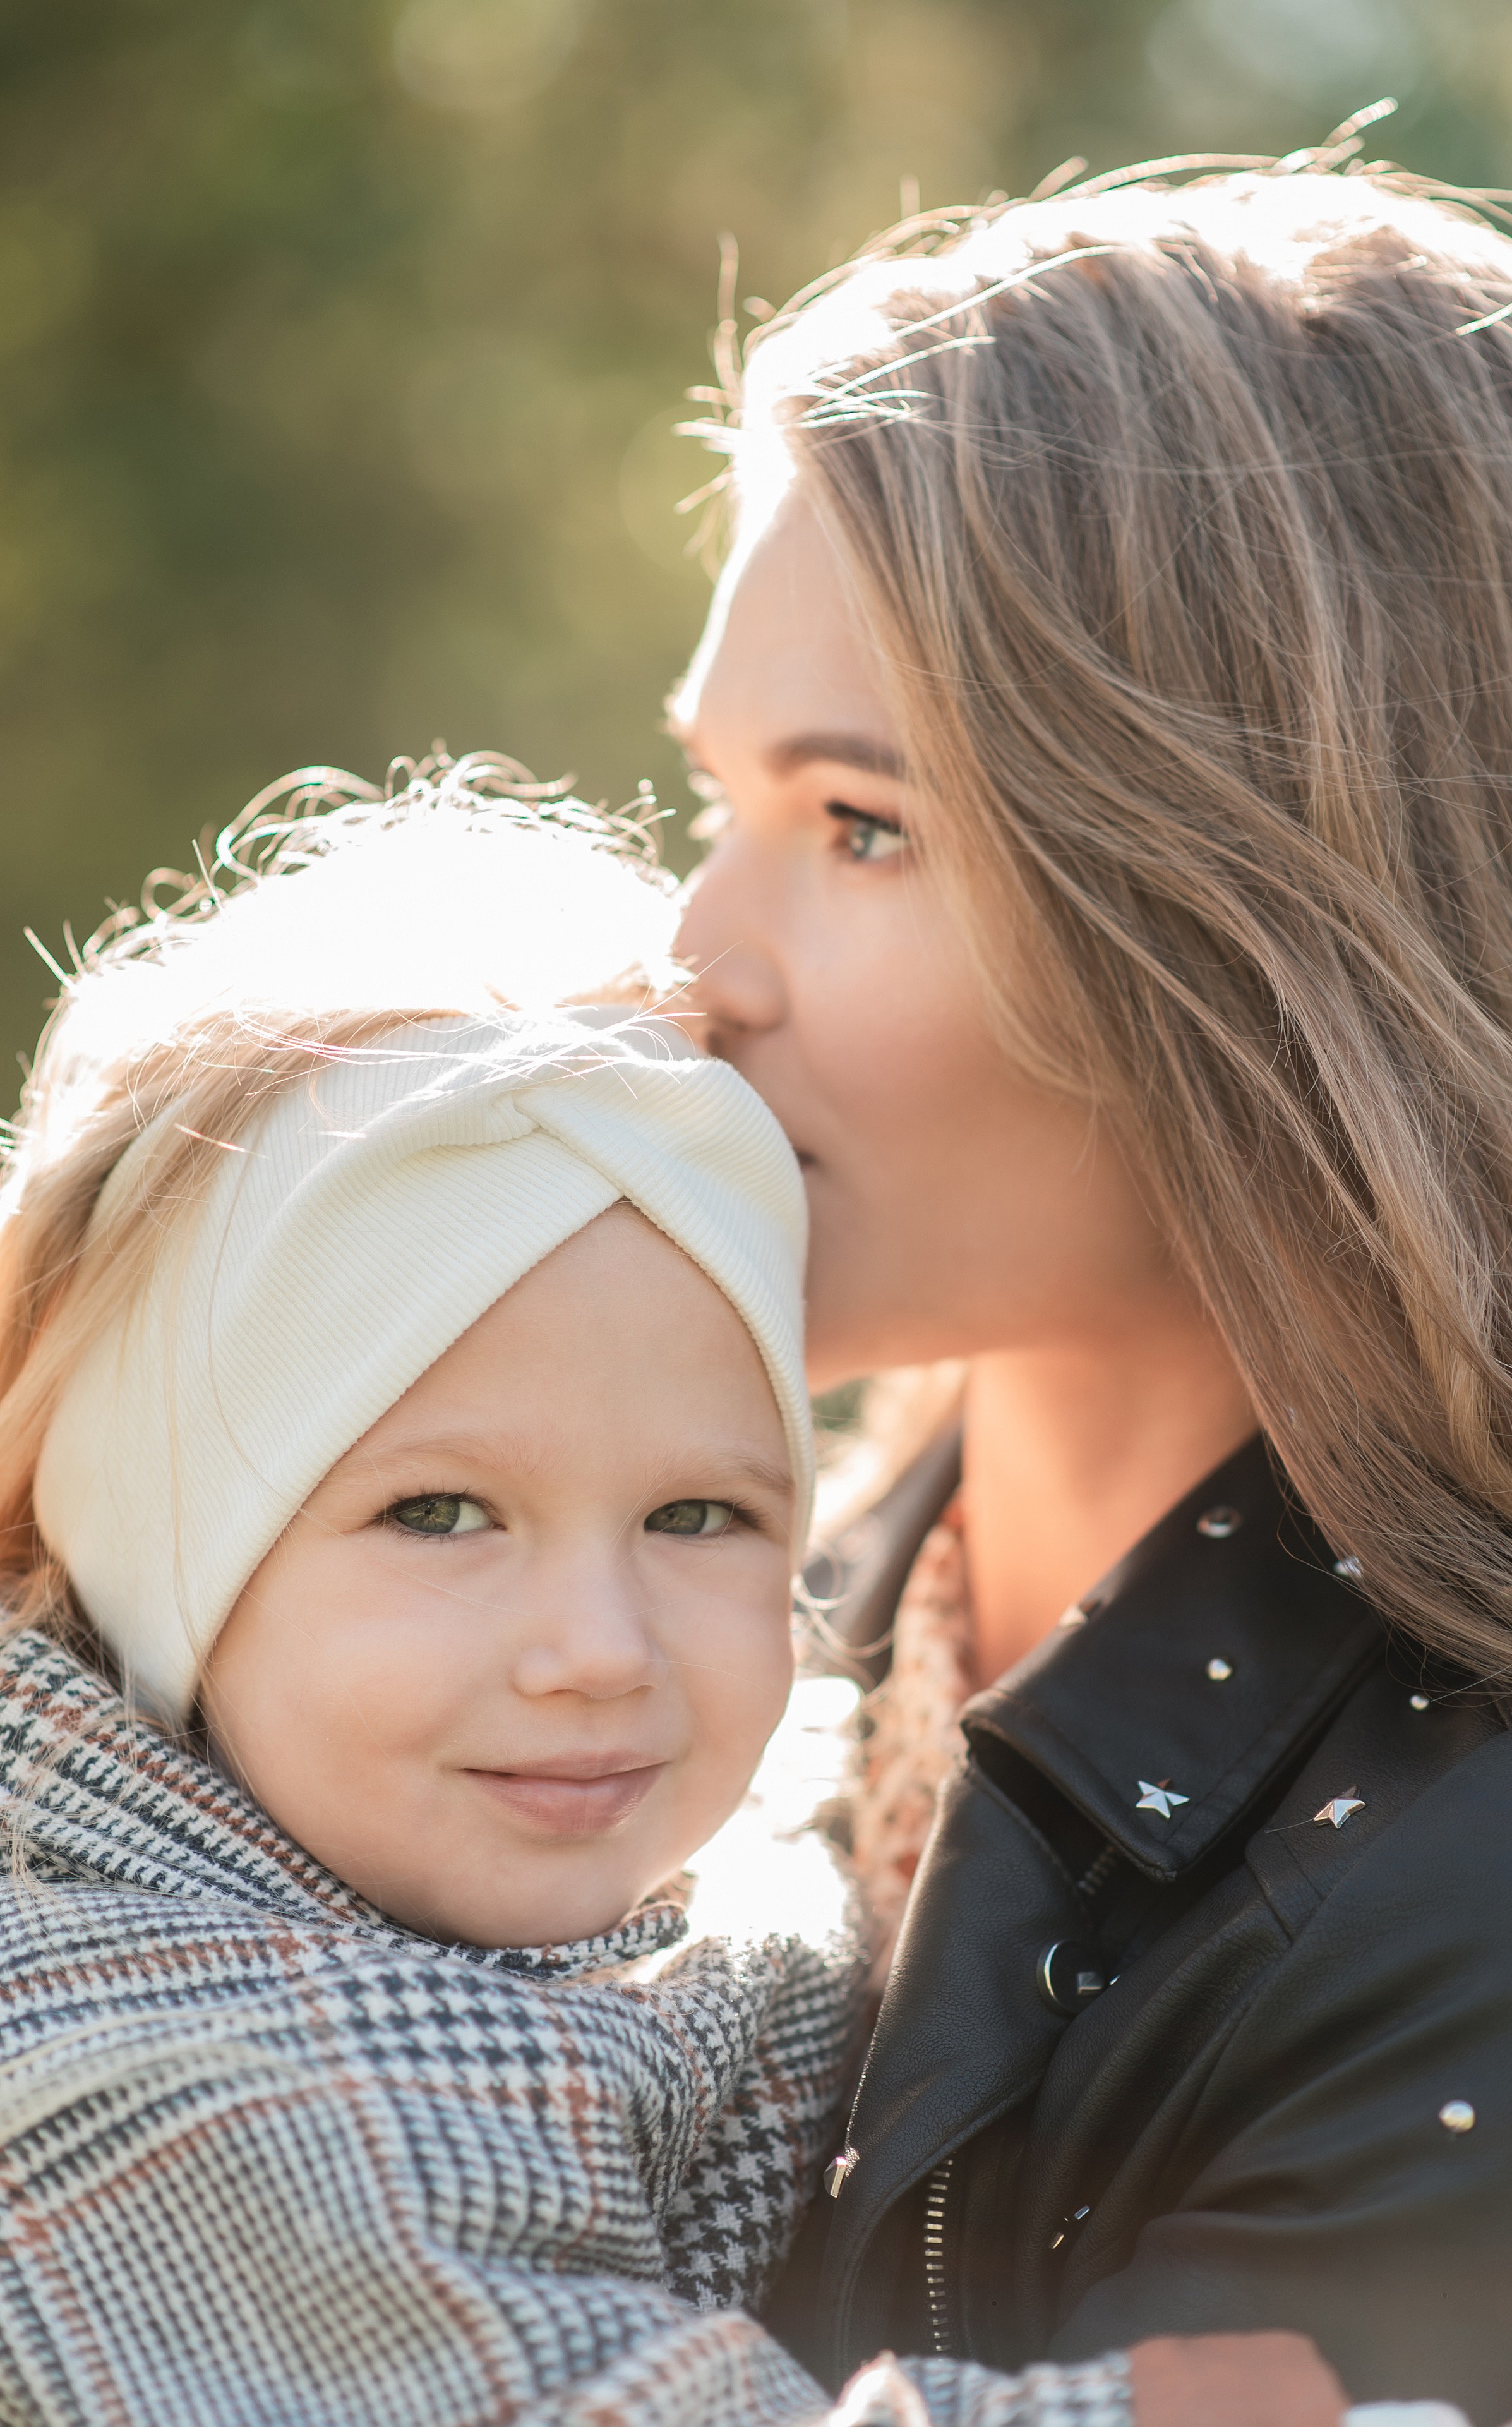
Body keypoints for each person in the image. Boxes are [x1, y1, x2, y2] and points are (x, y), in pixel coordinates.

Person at [668, 128, 1512, 2426]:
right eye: (714, 803)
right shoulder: (708, 1593)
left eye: (862, 825)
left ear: (1266, 925)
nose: (692, 964)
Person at [0, 757, 866, 2424]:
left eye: (697, 1511)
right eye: (443, 1512)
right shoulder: (138, 2060)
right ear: (170, 1543)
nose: (598, 1653)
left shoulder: (675, 1891)